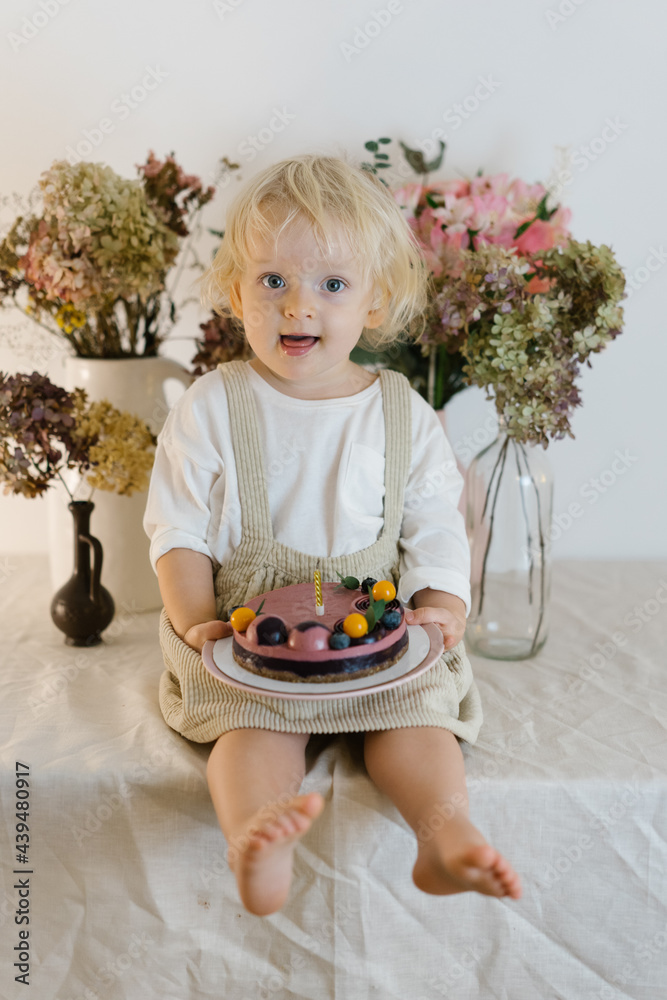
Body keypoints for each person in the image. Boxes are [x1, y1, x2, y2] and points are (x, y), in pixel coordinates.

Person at [144, 154, 522, 916]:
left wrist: (443, 606)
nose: (298, 308)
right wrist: (194, 622)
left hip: (377, 632)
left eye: (332, 285)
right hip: (254, 642)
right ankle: (258, 837)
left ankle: (443, 839)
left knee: (415, 726)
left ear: (375, 300)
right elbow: (176, 524)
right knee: (250, 735)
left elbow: (434, 526)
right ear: (234, 292)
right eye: (273, 281)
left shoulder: (401, 412)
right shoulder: (213, 405)